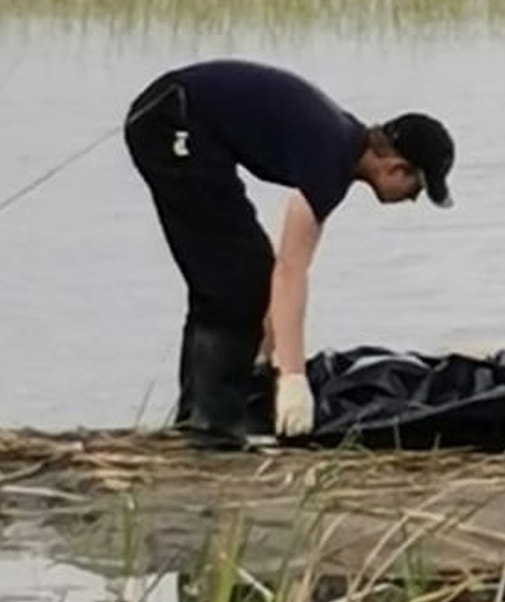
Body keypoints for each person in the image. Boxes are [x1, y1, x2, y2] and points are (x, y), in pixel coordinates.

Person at [123, 59, 455, 445]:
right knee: (234, 277)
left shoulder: (340, 148)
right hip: (170, 118)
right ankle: (210, 424)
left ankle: (204, 416)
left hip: (185, 121)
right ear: (396, 167)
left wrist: (265, 361)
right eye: (418, 188)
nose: (413, 199)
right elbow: (291, 271)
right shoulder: (330, 155)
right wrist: (294, 379)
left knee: (236, 274)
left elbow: (280, 276)